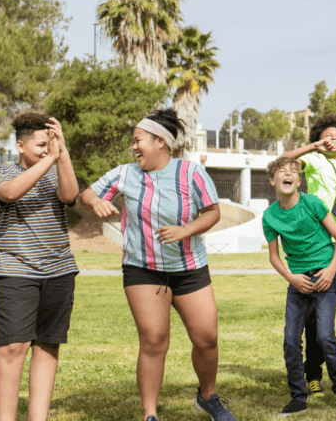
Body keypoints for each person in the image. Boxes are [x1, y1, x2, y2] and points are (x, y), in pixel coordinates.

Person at [81, 108, 235, 421]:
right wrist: (95, 200)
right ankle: (149, 414)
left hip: (190, 268)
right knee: (153, 341)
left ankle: (207, 396)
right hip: (143, 270)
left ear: (160, 141)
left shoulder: (191, 172)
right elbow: (86, 192)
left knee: (207, 339)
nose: (133, 147)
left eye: (138, 140)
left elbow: (213, 212)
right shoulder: (125, 173)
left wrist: (186, 230)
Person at [0, 112, 79, 421]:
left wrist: (61, 153)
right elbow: (11, 193)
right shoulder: (1, 171)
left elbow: (70, 195)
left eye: (50, 143)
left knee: (47, 346)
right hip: (14, 270)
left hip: (59, 271)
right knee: (13, 347)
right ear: (20, 145)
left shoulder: (57, 170)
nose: (46, 149)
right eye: (41, 144)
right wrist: (49, 159)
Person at [263, 155, 336, 416]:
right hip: (298, 282)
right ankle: (298, 397)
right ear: (273, 180)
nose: (289, 174)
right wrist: (291, 278)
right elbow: (274, 256)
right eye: (282, 171)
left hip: (325, 276)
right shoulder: (269, 216)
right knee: (291, 341)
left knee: (326, 337)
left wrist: (330, 270)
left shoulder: (312, 203)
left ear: (299, 179)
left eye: (293, 171)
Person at [281, 114, 336, 395]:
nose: (334, 139)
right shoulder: (314, 160)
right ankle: (314, 373)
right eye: (328, 135)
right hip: (319, 246)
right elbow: (284, 162)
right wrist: (313, 146)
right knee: (315, 315)